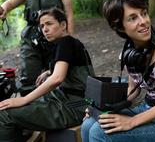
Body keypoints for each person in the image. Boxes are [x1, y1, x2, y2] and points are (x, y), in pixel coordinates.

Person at [81, 0, 155, 142]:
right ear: (120, 27)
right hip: (147, 109)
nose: (143, 21)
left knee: (100, 133)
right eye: (133, 18)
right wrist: (100, 109)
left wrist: (131, 121)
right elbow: (132, 91)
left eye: (144, 13)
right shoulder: (129, 53)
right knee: (88, 125)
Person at [0, 8, 94, 142]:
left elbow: (57, 79)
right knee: (15, 107)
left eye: (49, 24)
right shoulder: (70, 43)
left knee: (4, 115)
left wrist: (24, 99)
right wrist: (49, 71)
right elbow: (71, 67)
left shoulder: (65, 43)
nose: (45, 29)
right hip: (76, 101)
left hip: (74, 107)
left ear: (63, 25)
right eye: (42, 26)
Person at [0, 0, 74, 92]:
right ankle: (28, 104)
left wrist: (68, 41)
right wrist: (3, 9)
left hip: (55, 40)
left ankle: (53, 105)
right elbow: (9, 3)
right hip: (31, 40)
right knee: (29, 75)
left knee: (55, 74)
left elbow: (69, 16)